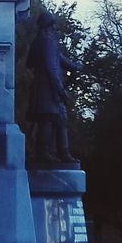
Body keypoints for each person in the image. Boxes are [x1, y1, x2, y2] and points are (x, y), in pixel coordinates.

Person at [25, 12, 81, 166]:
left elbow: (57, 58)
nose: (55, 27)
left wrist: (74, 66)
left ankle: (60, 153)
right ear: (49, 25)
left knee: (54, 118)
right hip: (48, 86)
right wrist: (60, 89)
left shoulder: (38, 41)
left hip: (41, 85)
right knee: (49, 119)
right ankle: (46, 153)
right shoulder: (48, 41)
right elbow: (51, 66)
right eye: (53, 24)